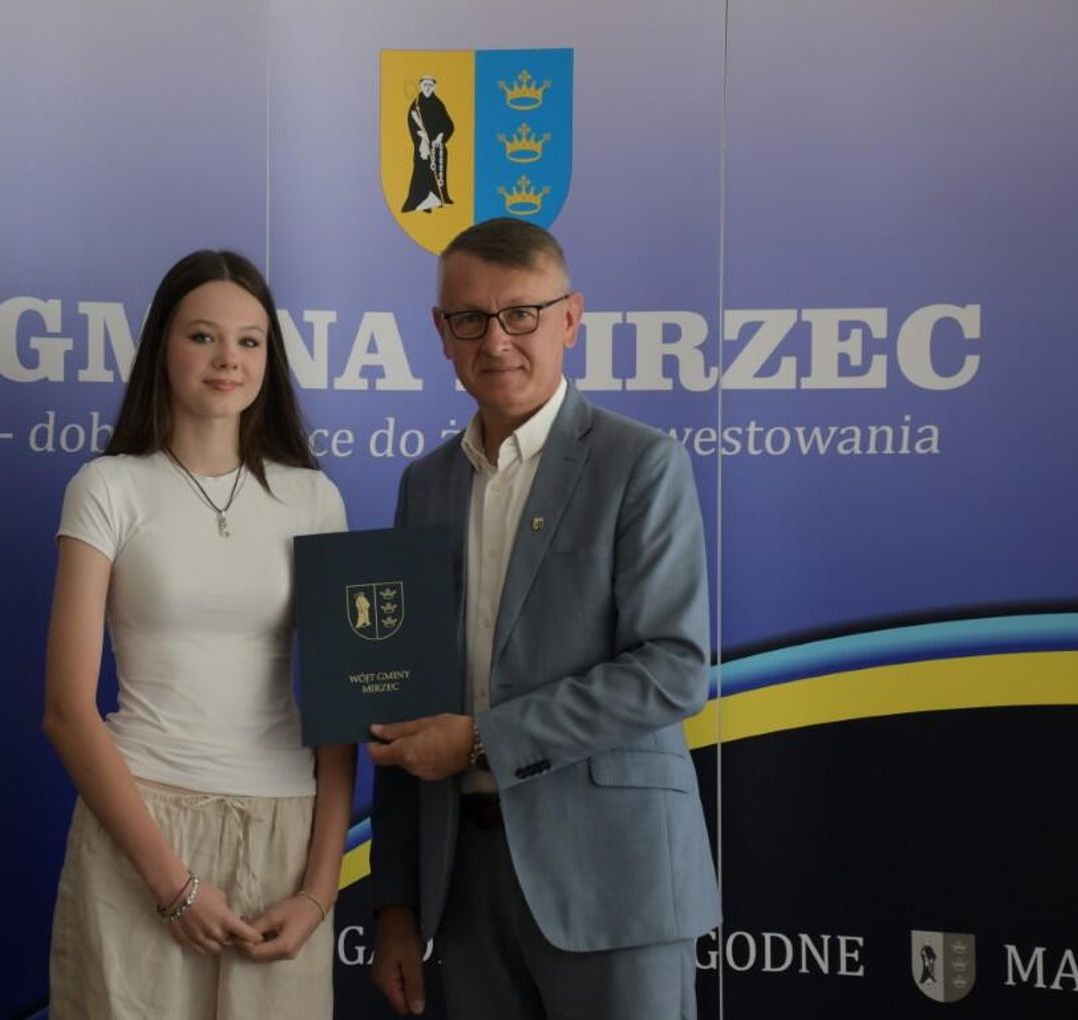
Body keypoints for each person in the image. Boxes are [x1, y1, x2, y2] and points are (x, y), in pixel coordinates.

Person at [367, 218, 720, 1019]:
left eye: (521, 313)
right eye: (470, 318)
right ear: (442, 332)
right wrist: (395, 905)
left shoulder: (641, 464)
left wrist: (484, 739)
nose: (496, 341)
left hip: (616, 882)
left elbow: (672, 669)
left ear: (570, 318)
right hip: (465, 885)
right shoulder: (424, 486)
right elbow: (397, 697)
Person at [43, 249, 354, 1018]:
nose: (229, 360)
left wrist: (319, 892)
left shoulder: (315, 499)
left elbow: (341, 711)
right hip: (140, 828)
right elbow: (66, 711)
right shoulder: (107, 487)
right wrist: (172, 884)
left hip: (284, 833)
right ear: (163, 347)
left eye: (250, 341)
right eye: (203, 336)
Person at [401, 75, 454, 214]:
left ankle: (441, 197)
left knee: (439, 172)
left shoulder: (438, 104)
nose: (428, 87)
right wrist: (422, 138)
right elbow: (413, 125)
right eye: (425, 84)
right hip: (423, 147)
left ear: (434, 87)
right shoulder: (415, 105)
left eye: (430, 85)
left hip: (438, 146)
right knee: (423, 173)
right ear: (421, 86)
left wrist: (441, 135)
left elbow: (448, 124)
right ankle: (423, 203)